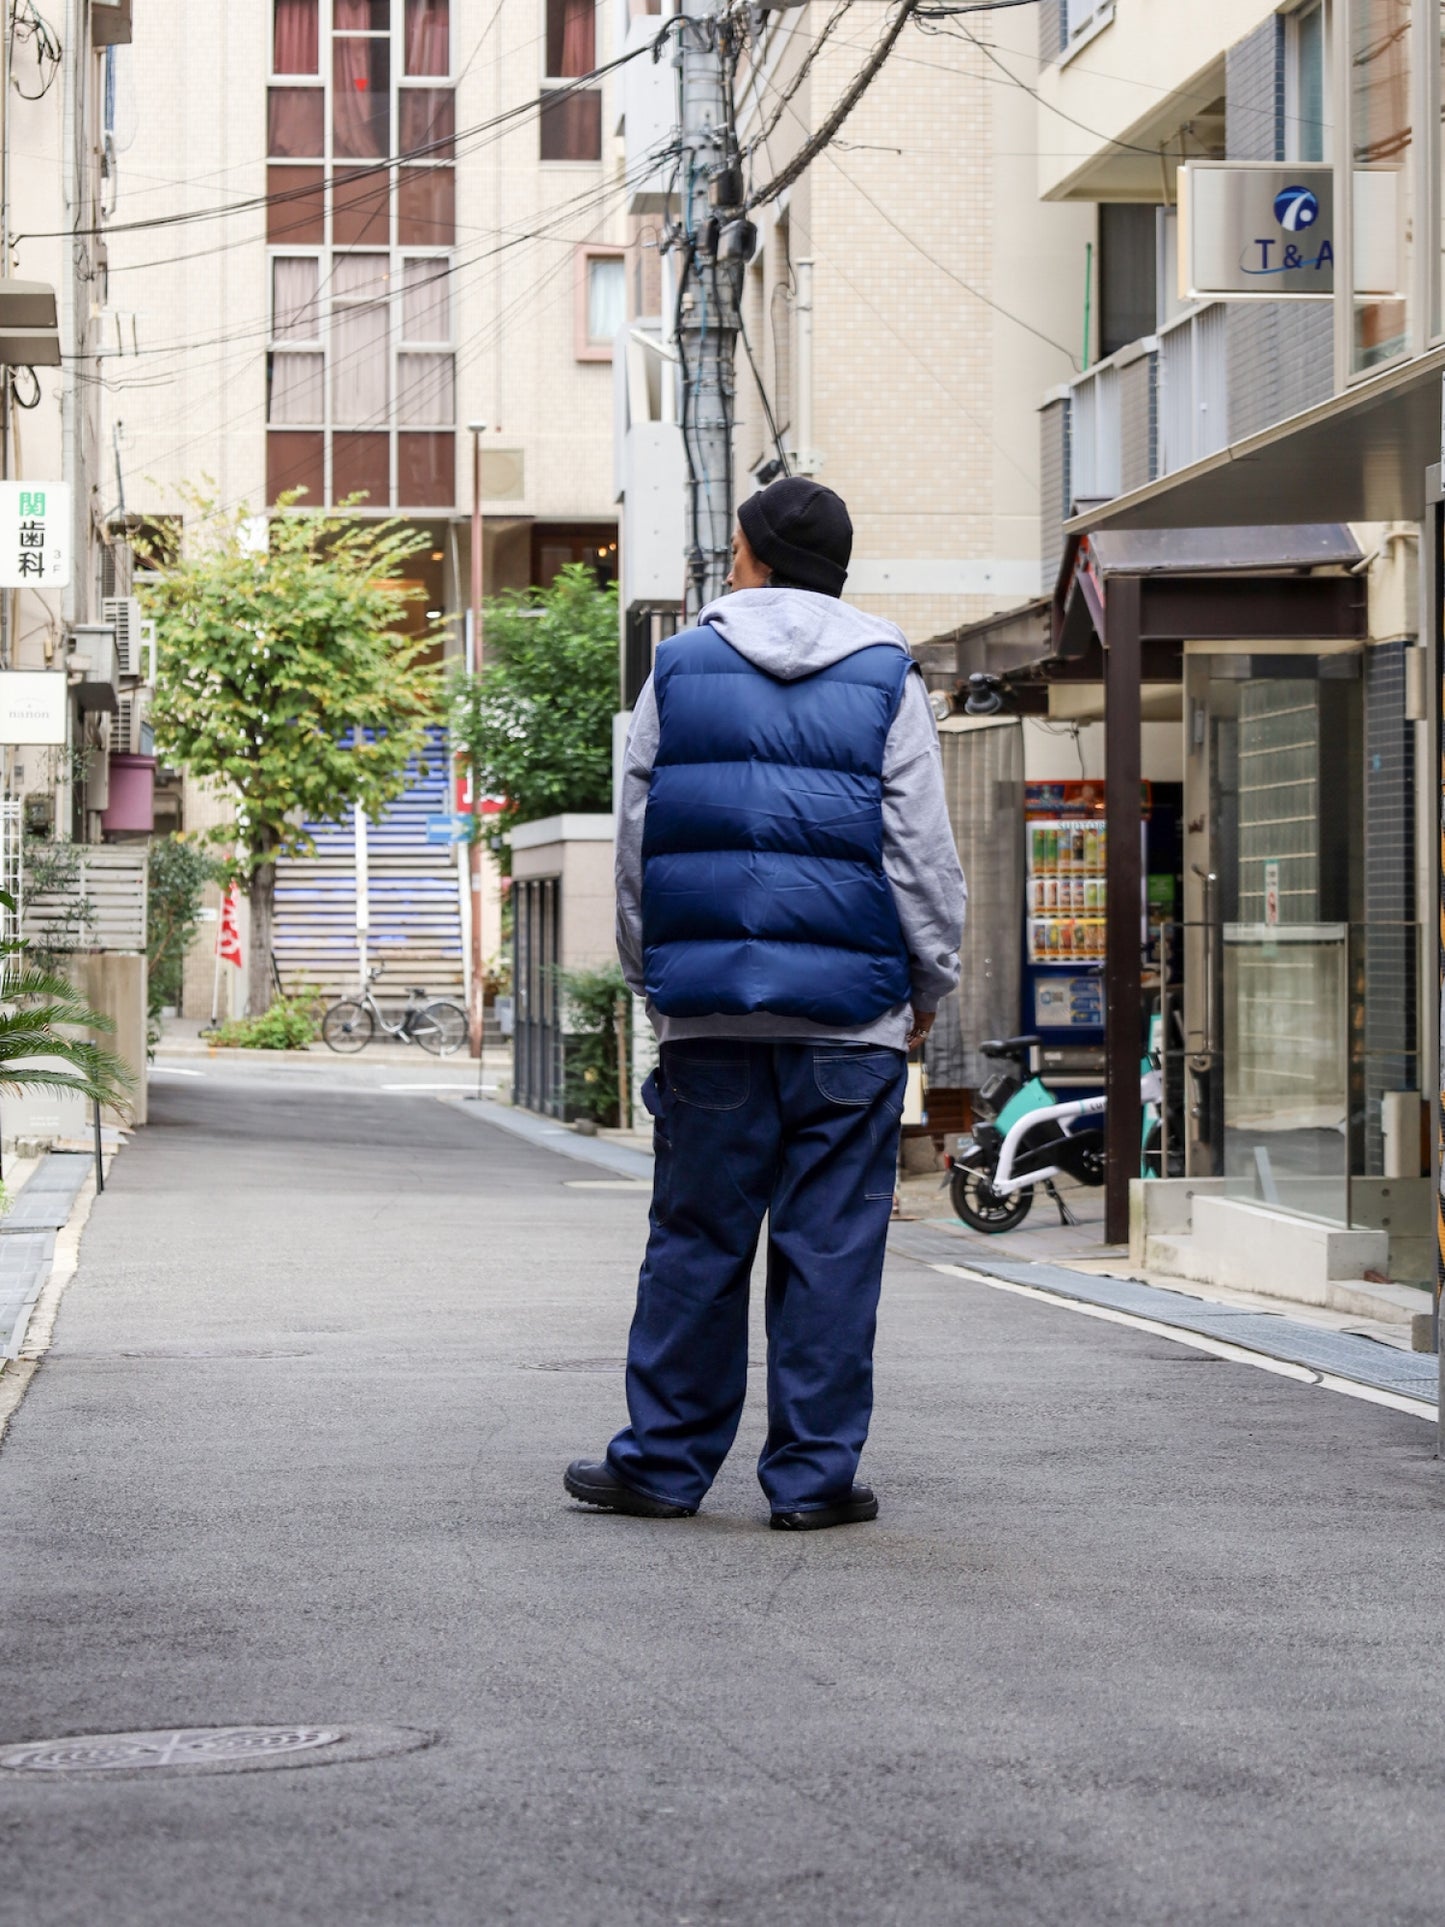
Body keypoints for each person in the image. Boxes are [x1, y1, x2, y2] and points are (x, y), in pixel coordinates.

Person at [565, 477, 966, 1530]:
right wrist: (925, 986)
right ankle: (810, 1481)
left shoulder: (680, 665)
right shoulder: (886, 675)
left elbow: (636, 850)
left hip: (710, 1021)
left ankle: (661, 1462)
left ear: (747, 557)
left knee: (695, 1241)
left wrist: (656, 983)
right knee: (828, 1251)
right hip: (851, 1021)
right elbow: (920, 854)